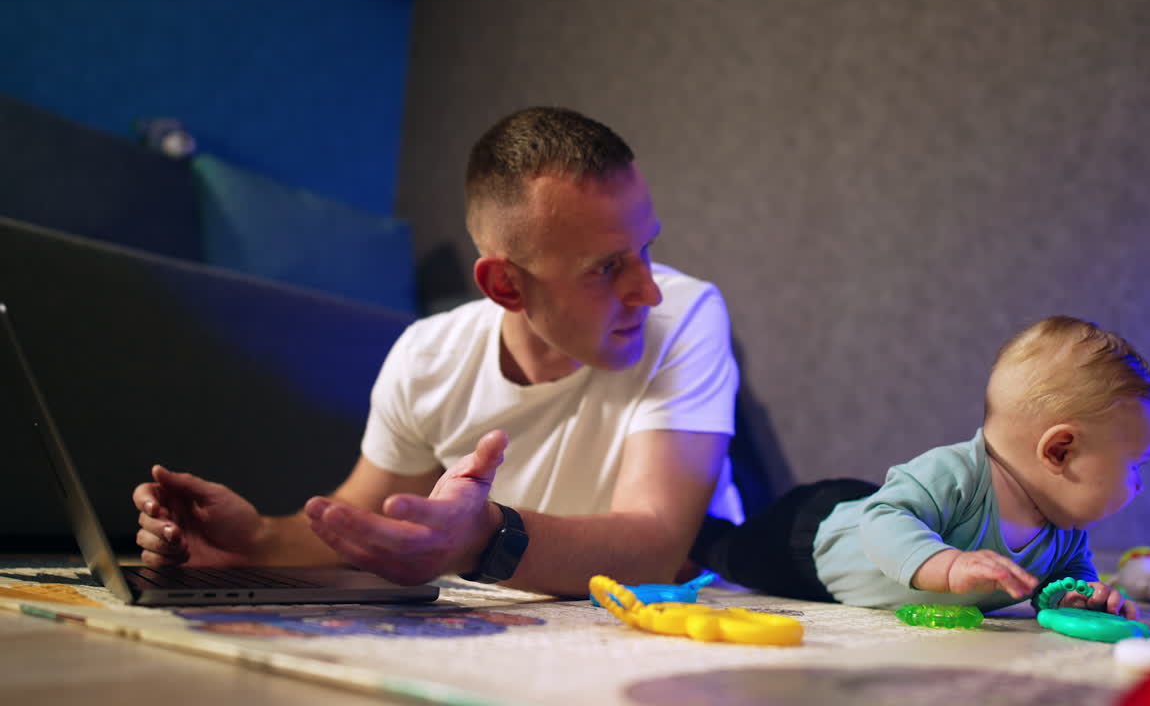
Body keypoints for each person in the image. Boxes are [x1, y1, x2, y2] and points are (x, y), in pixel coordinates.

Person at [133, 106, 742, 596]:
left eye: (646, 248)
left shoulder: (686, 315)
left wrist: (484, 538)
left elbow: (659, 546)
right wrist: (252, 541)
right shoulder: (429, 357)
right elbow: (361, 519)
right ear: (506, 284)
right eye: (608, 267)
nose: (648, 288)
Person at [692, 316, 1150, 618]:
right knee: (731, 552)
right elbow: (884, 519)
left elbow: (1067, 576)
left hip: (864, 514)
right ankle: (692, 531)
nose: (1140, 485)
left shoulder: (1064, 530)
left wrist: (1078, 597)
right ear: (1060, 451)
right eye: (1136, 465)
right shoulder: (960, 473)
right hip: (811, 538)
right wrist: (948, 564)